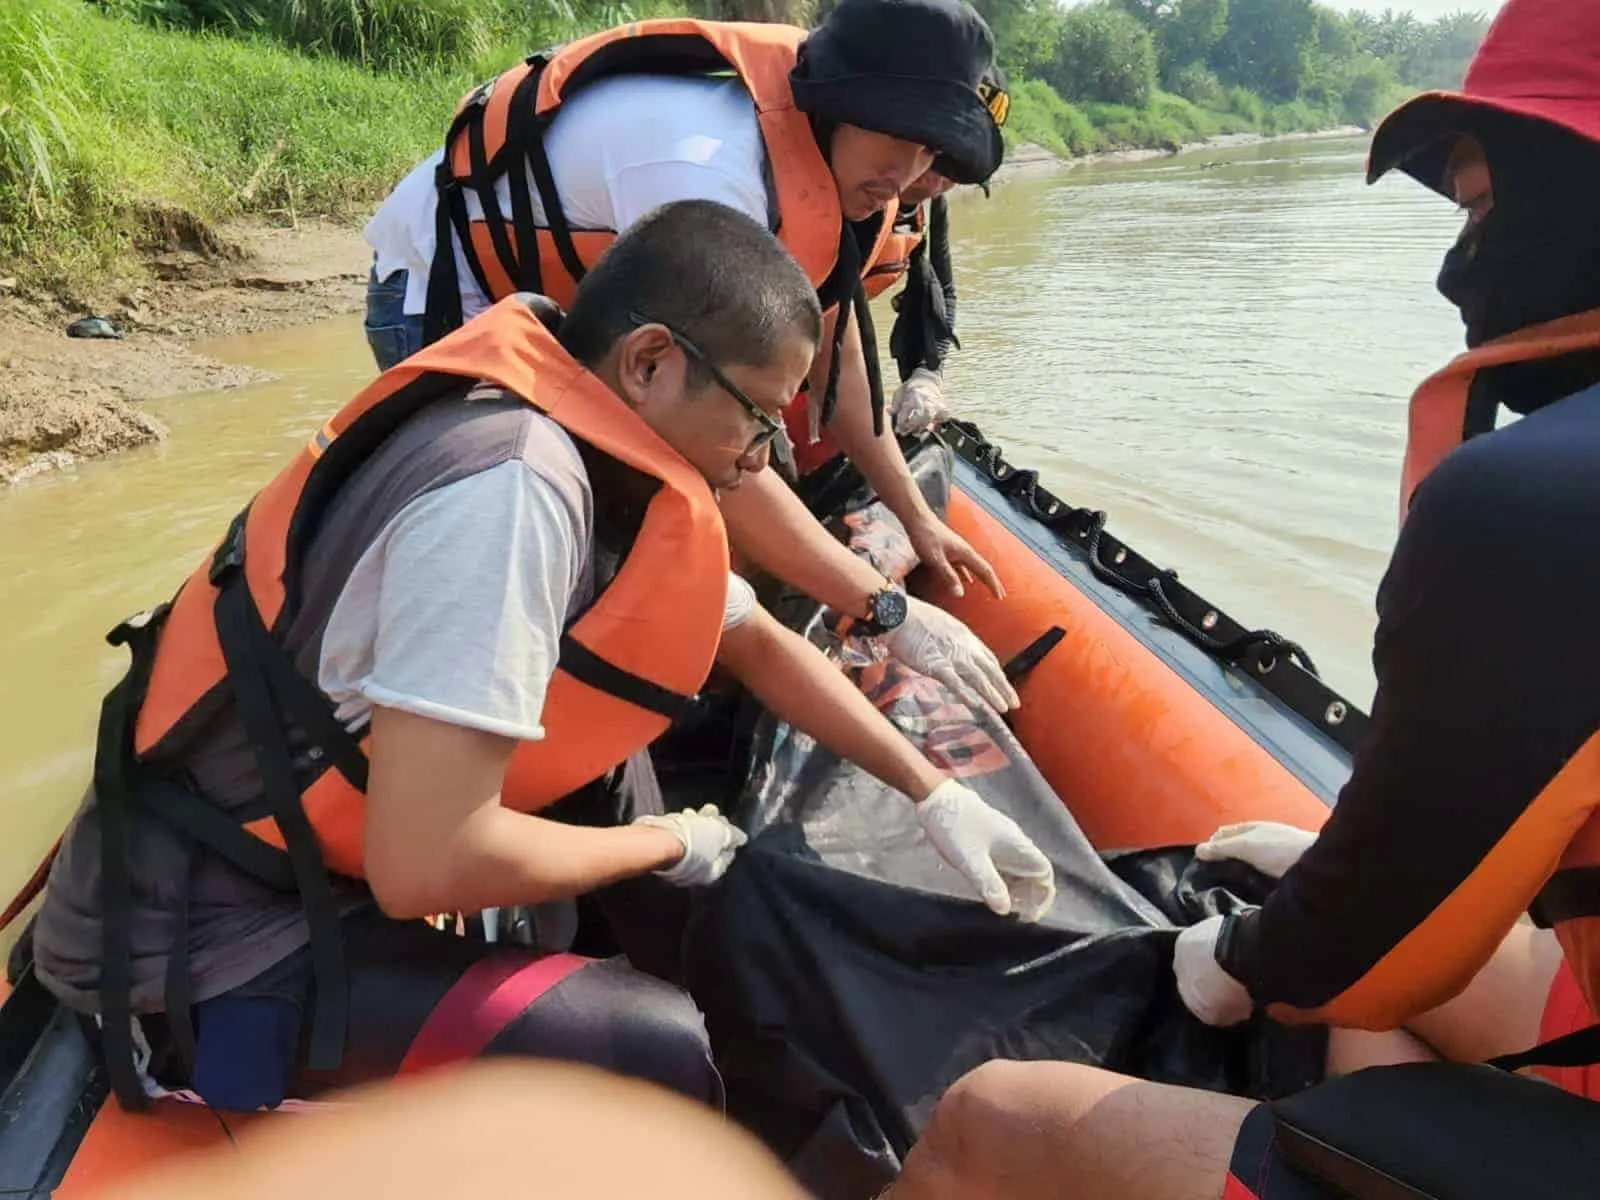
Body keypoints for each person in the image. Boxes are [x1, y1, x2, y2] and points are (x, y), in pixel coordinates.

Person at [31, 202, 1055, 1118]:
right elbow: (424, 863)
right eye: (755, 421)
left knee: (622, 776)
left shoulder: (586, 437)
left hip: (301, 860)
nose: (761, 462)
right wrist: (664, 843)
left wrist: (931, 793)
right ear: (650, 362)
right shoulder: (512, 495)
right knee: (651, 1049)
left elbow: (748, 636)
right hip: (212, 951)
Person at [888, 0, 1600, 1194]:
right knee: (1367, 1042)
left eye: (1477, 208)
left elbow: (1367, 958)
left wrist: (1239, 953)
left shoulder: (1533, 503)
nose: (1452, 264)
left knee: (989, 1115)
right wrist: (1336, 878)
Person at [362, 0, 1014, 606]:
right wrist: (878, 605)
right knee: (528, 523)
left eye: (929, 148)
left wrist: (918, 521)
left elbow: (841, 367)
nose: (907, 174)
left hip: (590, 293)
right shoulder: (710, 176)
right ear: (840, 103)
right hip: (444, 287)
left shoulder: (833, 166)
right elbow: (696, 425)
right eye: (899, 134)